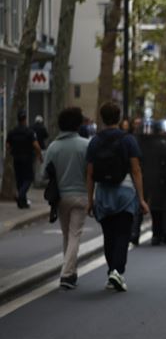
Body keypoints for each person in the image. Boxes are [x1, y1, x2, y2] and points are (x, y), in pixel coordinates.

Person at [85, 102, 149, 291]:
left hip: (103, 193)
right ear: (119, 118)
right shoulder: (128, 140)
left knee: (109, 235)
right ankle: (117, 271)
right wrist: (142, 198)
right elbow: (136, 170)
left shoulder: (95, 141)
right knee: (123, 234)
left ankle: (112, 271)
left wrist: (90, 200)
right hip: (125, 192)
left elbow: (89, 173)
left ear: (102, 118)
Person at [42, 107, 89, 289]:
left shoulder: (54, 146)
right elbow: (91, 173)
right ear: (78, 124)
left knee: (67, 235)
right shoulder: (85, 145)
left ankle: (71, 270)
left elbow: (43, 175)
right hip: (81, 195)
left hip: (61, 197)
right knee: (75, 234)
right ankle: (67, 274)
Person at [6, 110, 42, 208]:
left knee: (19, 180)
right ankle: (21, 195)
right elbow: (36, 146)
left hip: (16, 158)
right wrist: (40, 156)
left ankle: (22, 202)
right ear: (25, 119)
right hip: (27, 158)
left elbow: (8, 146)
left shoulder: (12, 132)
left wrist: (12, 151)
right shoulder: (29, 132)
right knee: (28, 179)